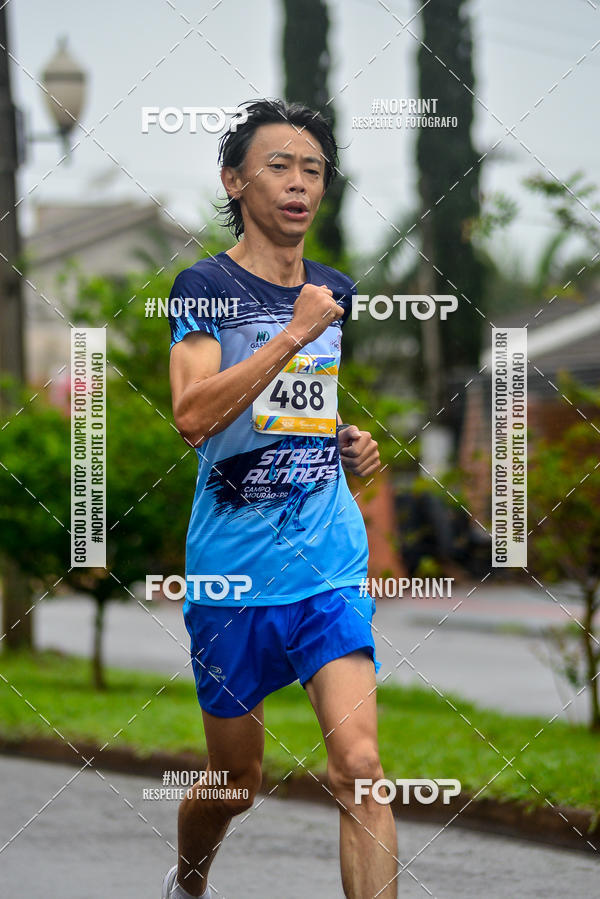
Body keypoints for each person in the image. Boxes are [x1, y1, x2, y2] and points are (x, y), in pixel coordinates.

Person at [162, 98, 398, 899]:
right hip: (233, 571)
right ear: (235, 180)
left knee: (360, 766)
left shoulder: (333, 290)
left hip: (327, 560)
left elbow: (298, 408)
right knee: (237, 781)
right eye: (280, 166)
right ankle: (189, 881)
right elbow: (193, 416)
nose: (300, 183)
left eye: (314, 170)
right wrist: (293, 333)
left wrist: (345, 441)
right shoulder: (204, 287)